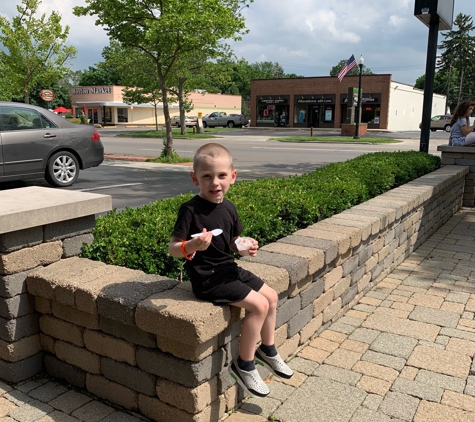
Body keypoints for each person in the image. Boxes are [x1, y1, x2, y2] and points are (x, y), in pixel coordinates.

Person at [169, 143, 293, 398]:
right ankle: (244, 365)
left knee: (271, 296)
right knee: (258, 305)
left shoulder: (230, 208)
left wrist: (245, 247)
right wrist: (192, 245)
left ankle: (267, 350)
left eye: (222, 176)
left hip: (228, 269)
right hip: (208, 279)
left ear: (233, 177)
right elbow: (173, 248)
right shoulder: (190, 210)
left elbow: (233, 242)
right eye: (207, 176)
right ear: (195, 179)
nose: (215, 182)